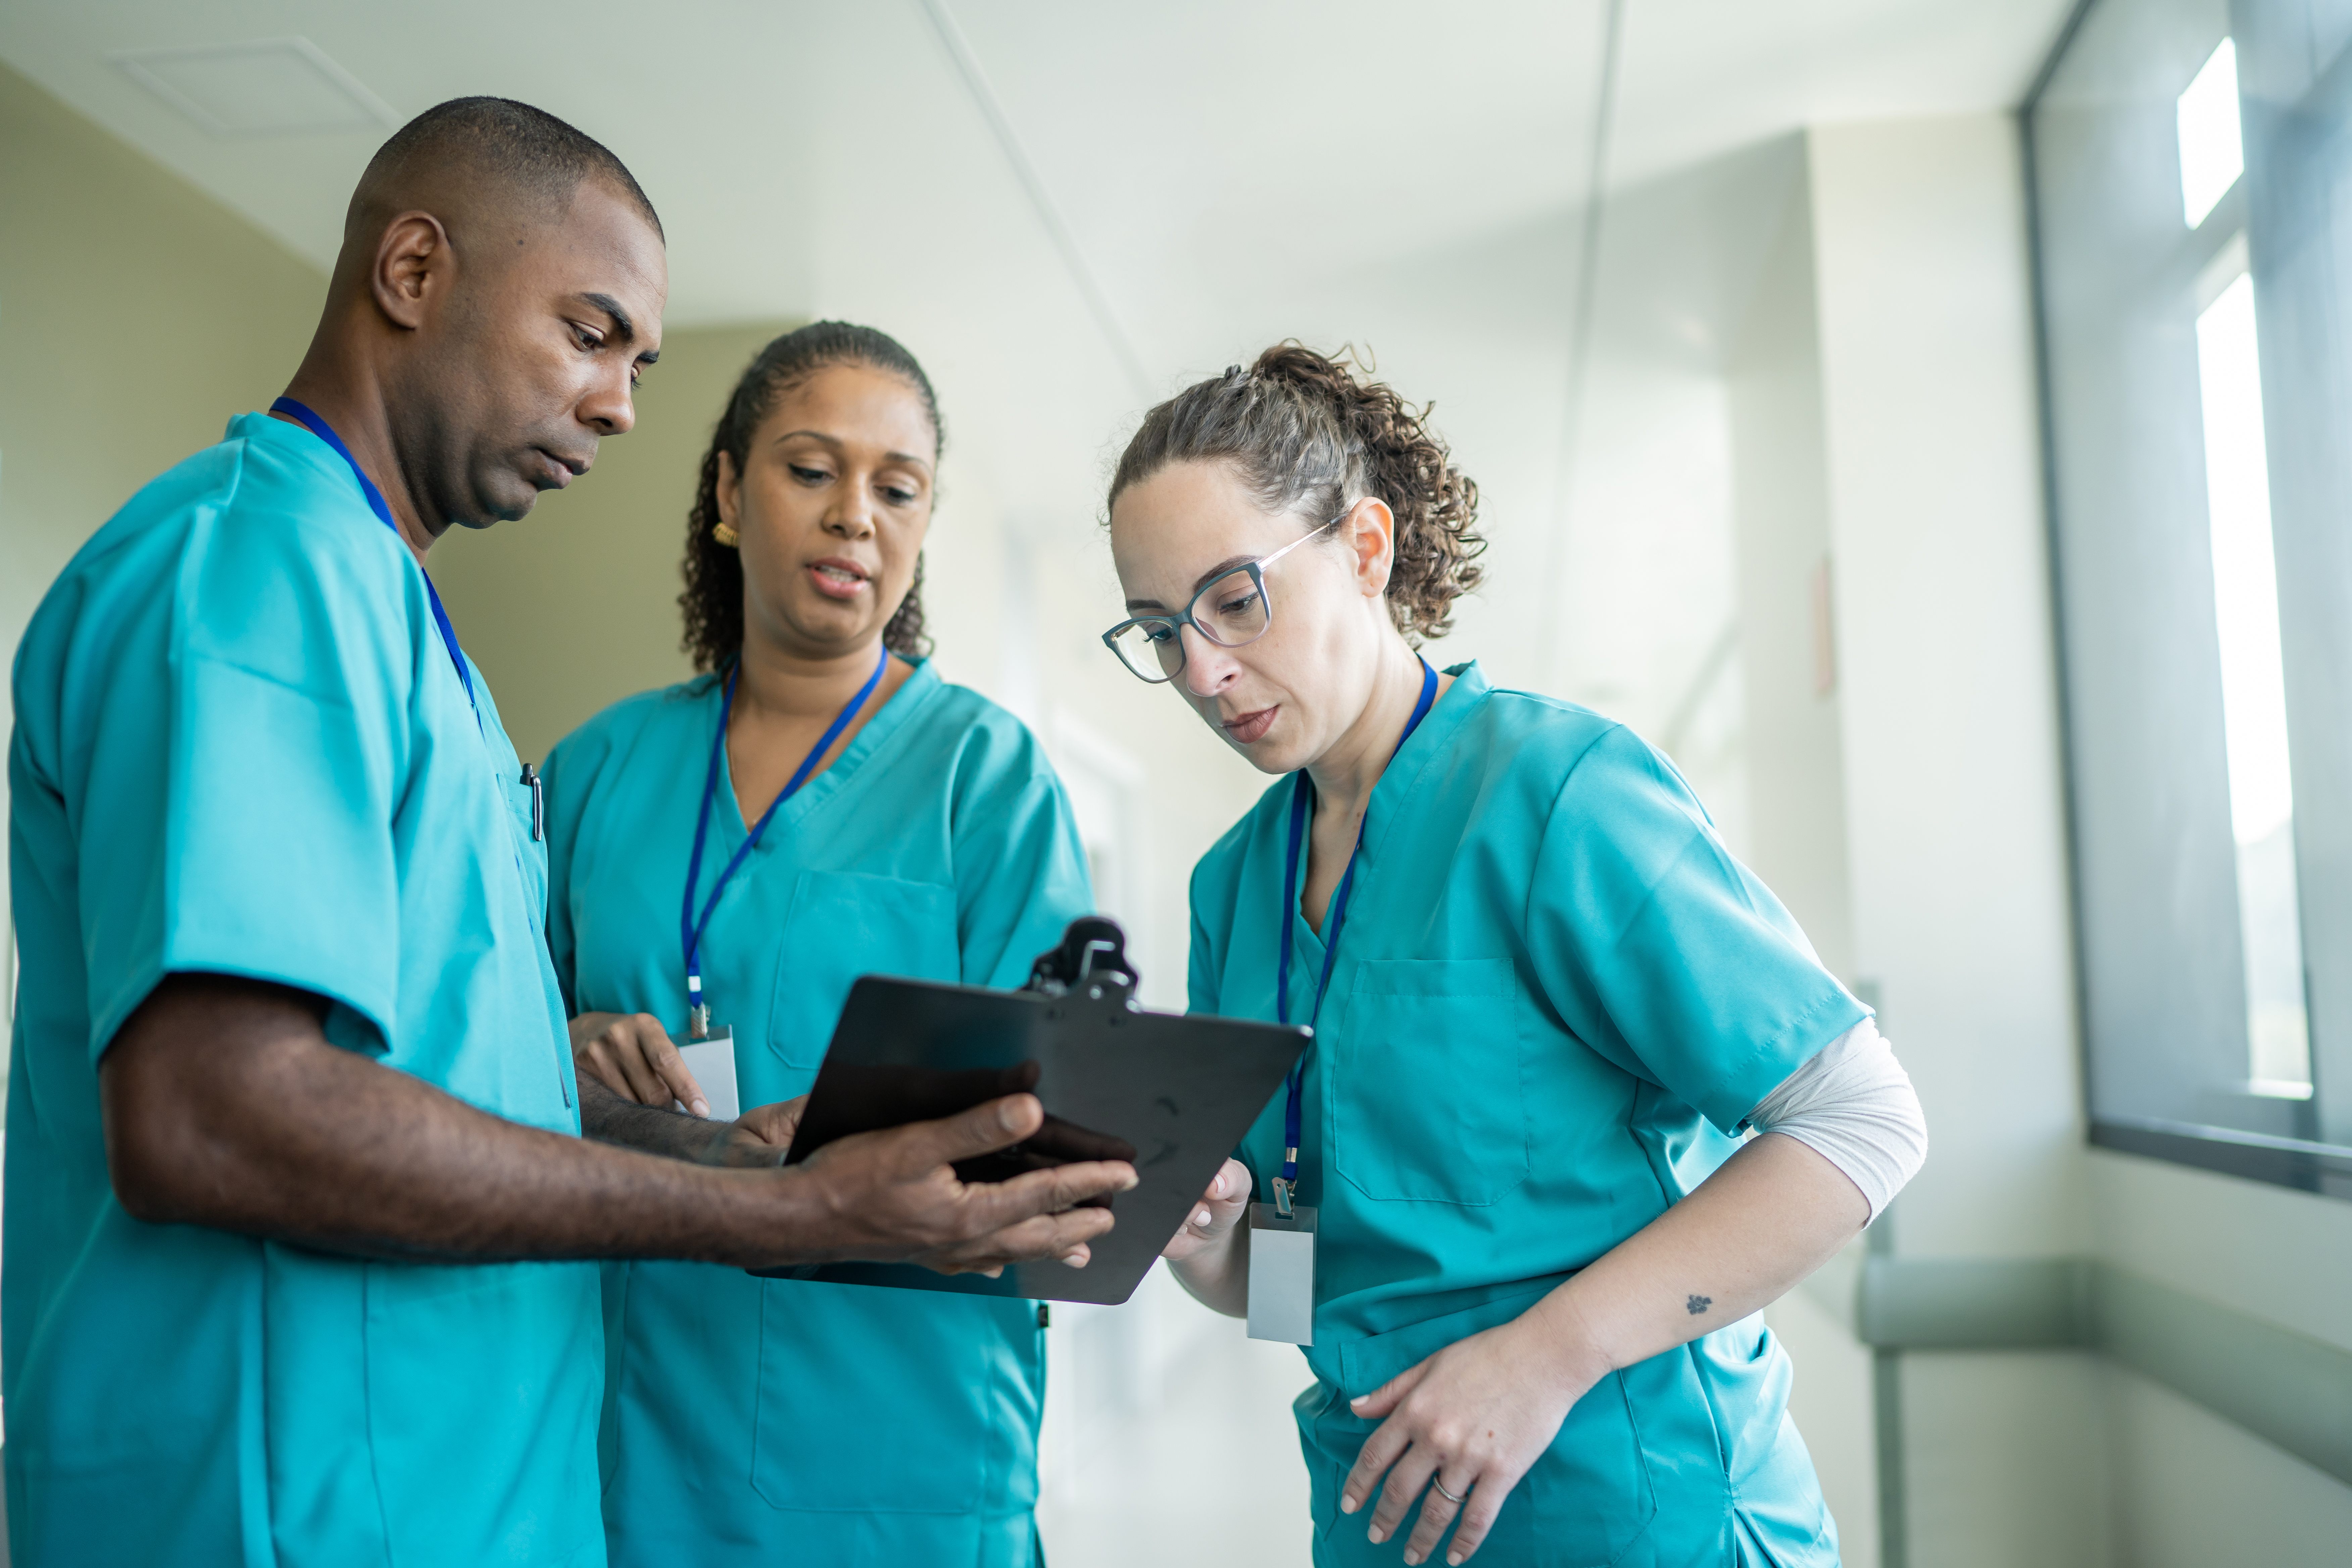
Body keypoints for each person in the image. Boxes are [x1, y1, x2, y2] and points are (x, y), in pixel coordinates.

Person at [4, 102, 1131, 1568]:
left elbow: (435, 1067)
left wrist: (721, 1150)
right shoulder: (259, 577)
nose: (619, 405)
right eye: (590, 333)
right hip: (300, 1497)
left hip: (480, 1485)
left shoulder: (412, 640)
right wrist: (774, 1213)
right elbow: (213, 1113)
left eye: (641, 364)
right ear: (413, 273)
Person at [1107, 345, 1929, 1567]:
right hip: (1386, 1514)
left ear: (1367, 550)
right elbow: (1294, 1286)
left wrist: (1547, 1356)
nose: (1204, 671)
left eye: (1236, 598)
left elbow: (1864, 1123)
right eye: (1162, 631)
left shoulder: (1559, 794)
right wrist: (1207, 1240)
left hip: (1639, 1508)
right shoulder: (1235, 886)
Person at [546, 322, 1092, 1566]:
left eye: (897, 489)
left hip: (903, 1424)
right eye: (811, 470)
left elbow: (1059, 1104)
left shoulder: (983, 774)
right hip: (632, 1414)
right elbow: (479, 1047)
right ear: (730, 492)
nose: (857, 516)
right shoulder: (598, 768)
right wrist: (564, 1040)